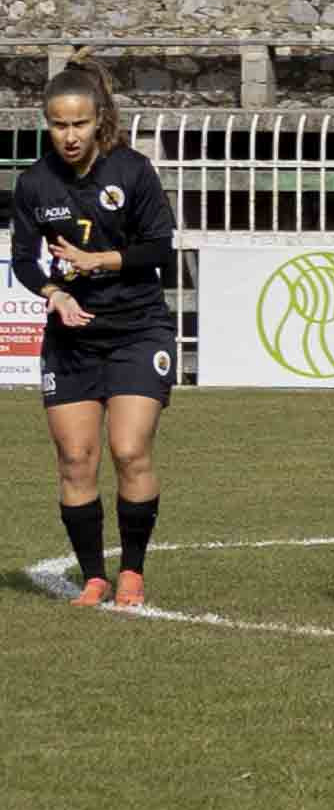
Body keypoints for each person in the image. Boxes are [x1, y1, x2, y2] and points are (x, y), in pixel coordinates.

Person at [18, 63, 179, 612]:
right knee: (75, 458)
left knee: (129, 450)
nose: (69, 135)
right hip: (72, 339)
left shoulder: (131, 171)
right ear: (47, 124)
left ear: (98, 120)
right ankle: (93, 577)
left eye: (80, 124)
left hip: (137, 328)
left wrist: (99, 261)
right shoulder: (35, 183)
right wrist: (54, 293)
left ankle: (131, 569)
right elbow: (22, 258)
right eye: (59, 125)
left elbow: (160, 247)